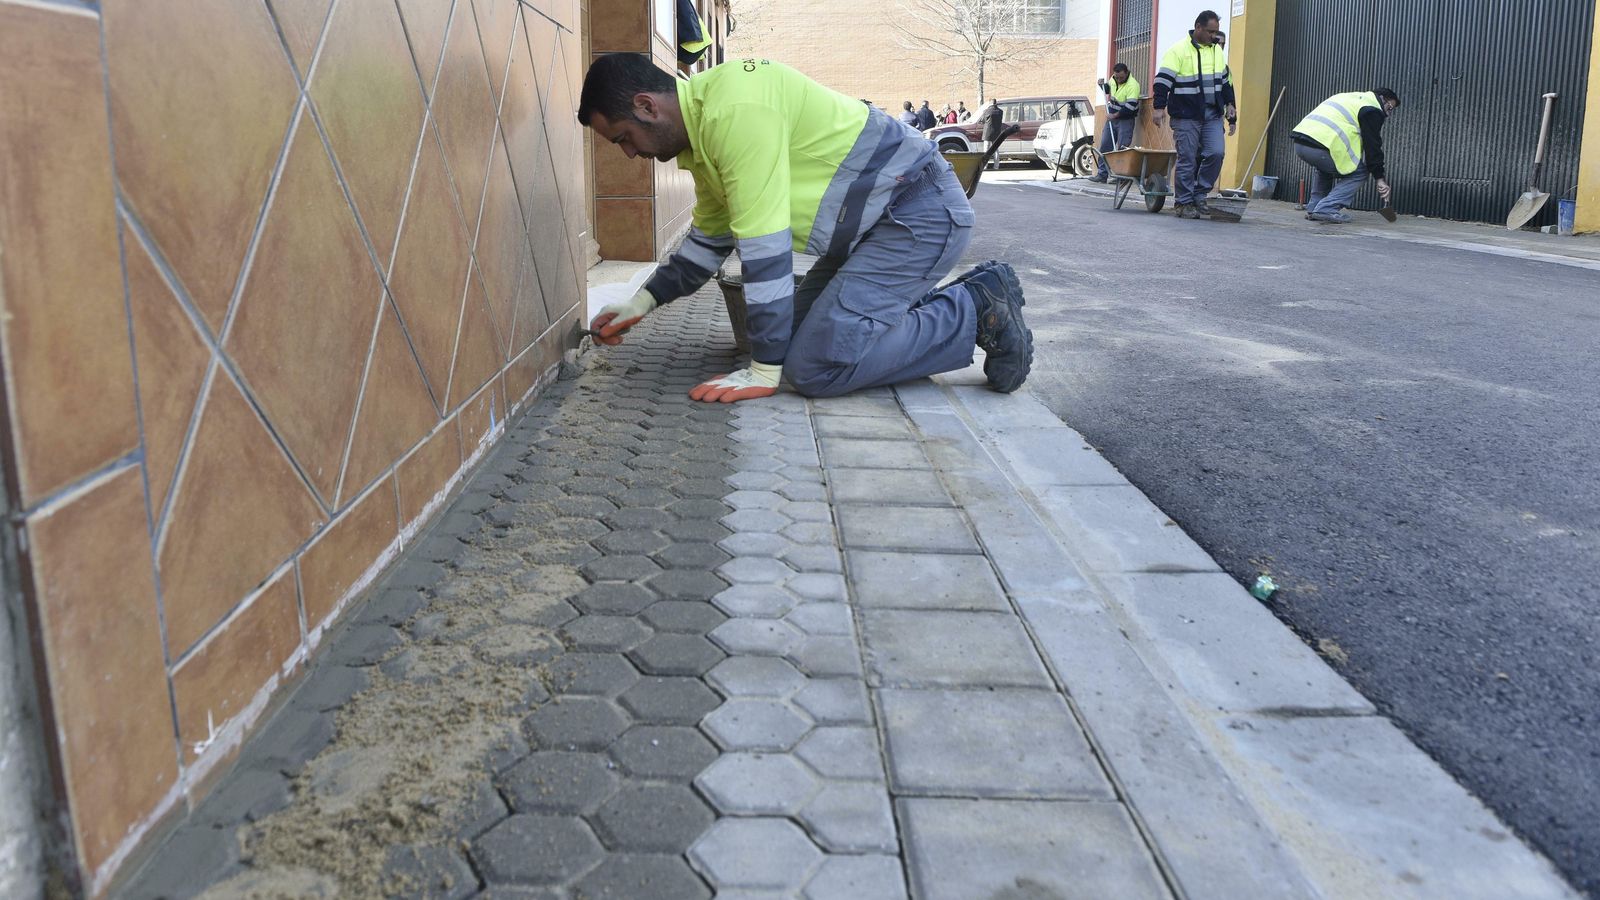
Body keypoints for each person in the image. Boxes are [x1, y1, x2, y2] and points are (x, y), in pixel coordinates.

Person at [577, 54, 1033, 402]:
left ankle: (974, 309)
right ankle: (939, 304)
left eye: (622, 138)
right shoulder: (705, 133)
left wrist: (763, 372)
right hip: (877, 229)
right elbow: (710, 242)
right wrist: (642, 300)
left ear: (646, 106)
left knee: (814, 368)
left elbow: (764, 248)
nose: (629, 155)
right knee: (784, 341)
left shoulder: (734, 110)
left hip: (919, 215)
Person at [1153, 10, 1236, 219]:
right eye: (1210, 31)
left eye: (1216, 32)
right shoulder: (1178, 51)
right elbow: (1162, 82)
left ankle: (1200, 194)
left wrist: (1231, 107)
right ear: (1198, 28)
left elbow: (1225, 81)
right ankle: (1183, 202)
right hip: (1186, 115)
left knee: (1216, 153)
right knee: (1187, 158)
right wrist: (1158, 108)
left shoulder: (1217, 51)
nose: (1214, 36)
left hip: (1212, 115)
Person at [1291, 88, 1400, 223]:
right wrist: (1380, 178)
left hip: (1301, 143)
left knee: (1325, 168)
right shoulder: (1372, 109)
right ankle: (1326, 209)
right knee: (1360, 173)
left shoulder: (1350, 98)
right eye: (1390, 108)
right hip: (1321, 147)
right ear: (1382, 99)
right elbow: (1372, 146)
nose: (1388, 114)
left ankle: (1314, 208)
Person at [1092, 63, 1141, 183]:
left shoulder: (1133, 85)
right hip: (1112, 119)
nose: (1118, 80)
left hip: (1125, 120)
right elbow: (1109, 90)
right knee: (1105, 145)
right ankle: (1102, 175)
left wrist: (1114, 115)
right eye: (1117, 77)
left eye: (1121, 78)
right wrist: (1102, 85)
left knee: (1122, 149)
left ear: (1127, 72)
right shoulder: (1113, 79)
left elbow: (1130, 107)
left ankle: (1121, 177)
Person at [978, 98, 1004, 169]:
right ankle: (996, 166)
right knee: (996, 150)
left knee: (986, 150)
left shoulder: (986, 111)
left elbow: (982, 120)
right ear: (996, 103)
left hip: (987, 133)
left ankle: (985, 166)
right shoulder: (1000, 111)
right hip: (997, 133)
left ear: (990, 103)